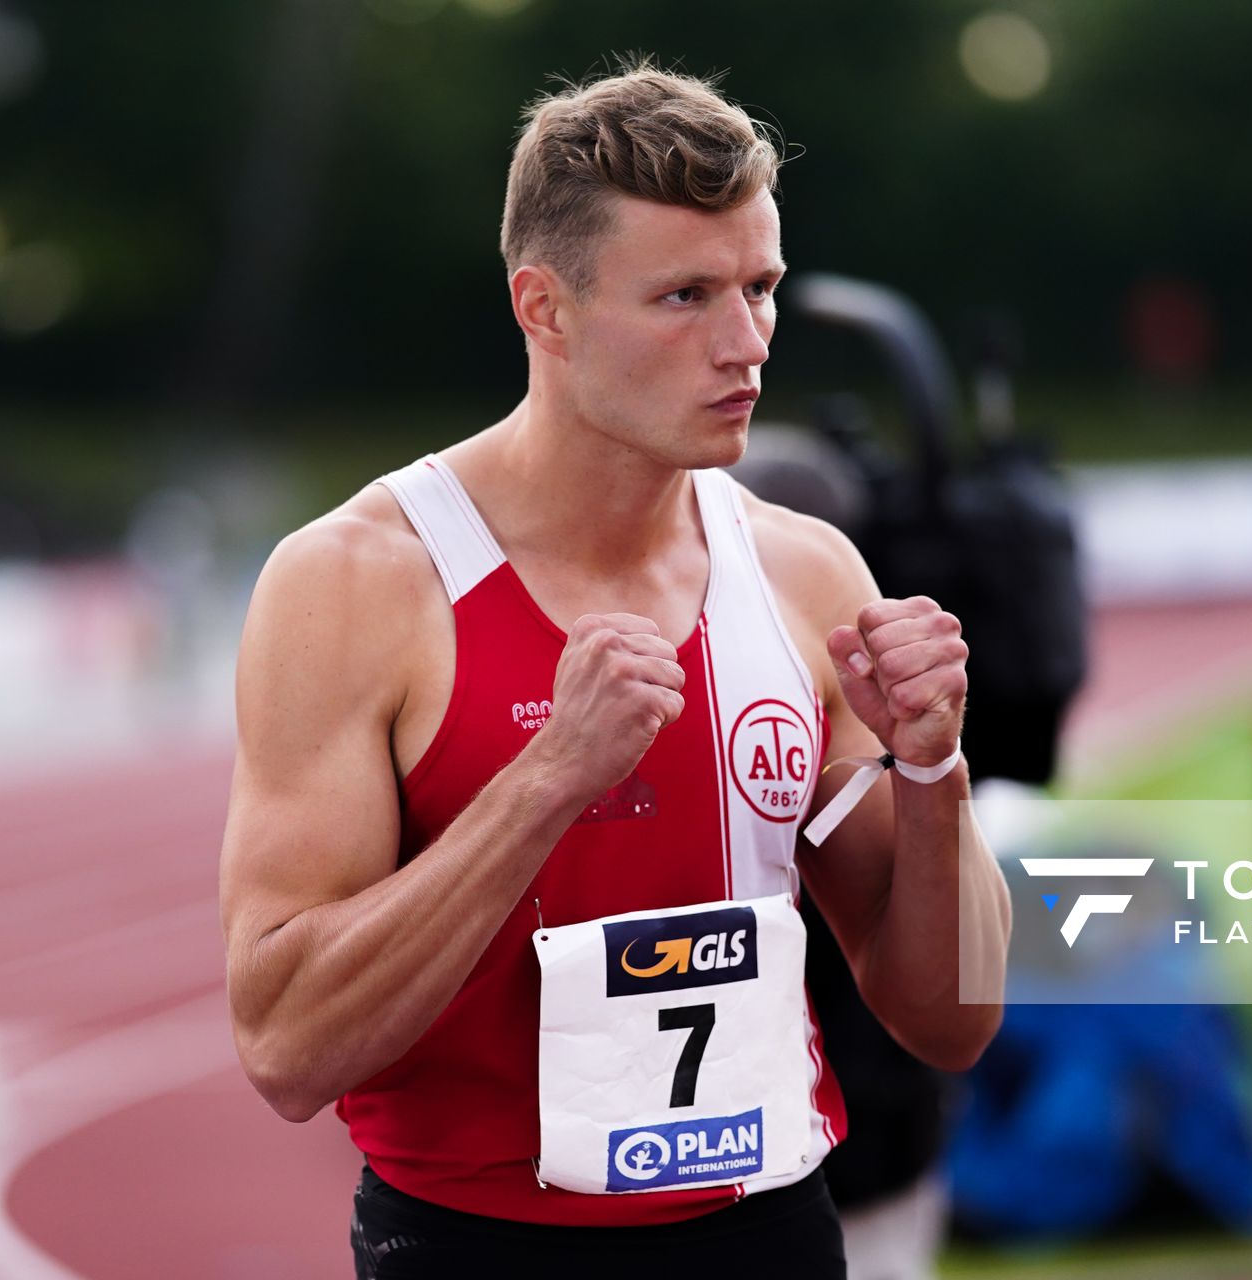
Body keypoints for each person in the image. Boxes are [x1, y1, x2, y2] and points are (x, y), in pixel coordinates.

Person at [216, 61, 1011, 1277]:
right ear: (546, 308)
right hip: (479, 1246)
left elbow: (950, 1020)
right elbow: (286, 1045)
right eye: (685, 295)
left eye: (761, 287)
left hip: (773, 1231)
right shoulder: (359, 583)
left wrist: (935, 766)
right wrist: (543, 781)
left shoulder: (806, 572)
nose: (745, 343)